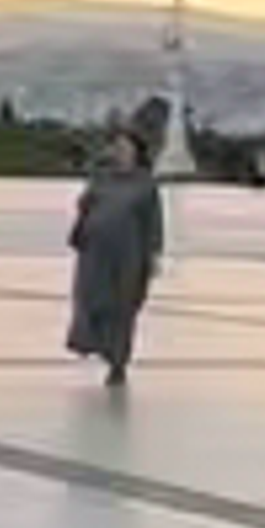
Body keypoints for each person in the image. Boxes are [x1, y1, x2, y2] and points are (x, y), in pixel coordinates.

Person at [67, 117, 166, 391]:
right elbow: (85, 207)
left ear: (136, 151)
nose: (120, 152)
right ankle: (94, 343)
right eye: (117, 147)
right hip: (95, 253)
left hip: (128, 255)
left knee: (122, 308)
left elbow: (153, 221)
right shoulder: (101, 178)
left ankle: (118, 362)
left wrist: (154, 254)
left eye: (126, 147)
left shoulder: (145, 185)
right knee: (91, 300)